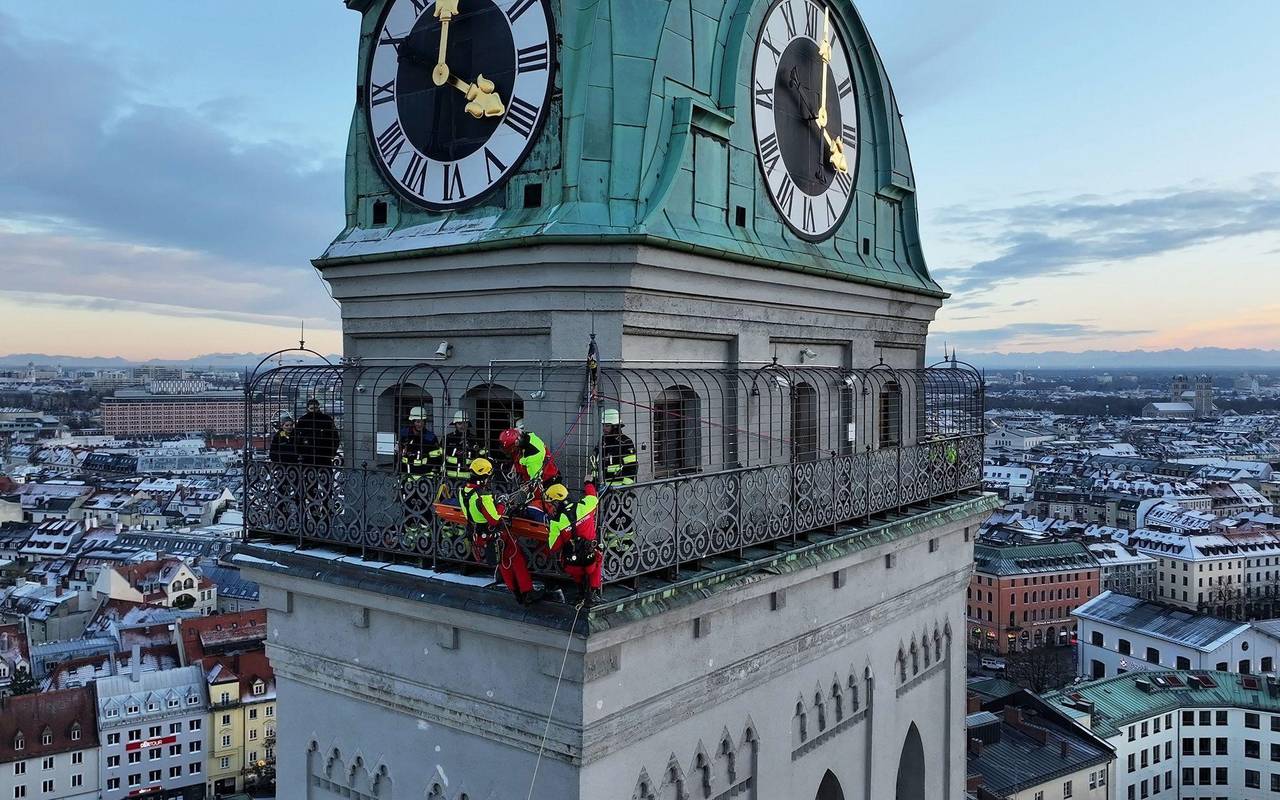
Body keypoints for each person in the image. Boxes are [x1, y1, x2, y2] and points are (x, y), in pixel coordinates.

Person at [458, 458, 541, 605]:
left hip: (479, 532)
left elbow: (474, 512)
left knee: (503, 562)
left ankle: (516, 592)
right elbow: (495, 519)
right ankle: (527, 592)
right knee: (516, 559)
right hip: (496, 534)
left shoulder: (464, 491)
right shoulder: (482, 496)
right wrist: (502, 504)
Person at [545, 481, 602, 606]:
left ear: (557, 502)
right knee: (598, 556)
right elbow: (592, 495)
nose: (551, 509)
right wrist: (588, 483)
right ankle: (593, 592)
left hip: (572, 564)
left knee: (572, 565)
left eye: (551, 505)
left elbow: (553, 547)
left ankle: (581, 592)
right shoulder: (585, 505)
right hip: (590, 560)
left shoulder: (556, 522)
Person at [593, 408, 638, 488]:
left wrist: (624, 487)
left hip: (619, 489)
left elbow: (632, 467)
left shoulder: (625, 442)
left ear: (615, 426)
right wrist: (594, 482)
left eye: (607, 426)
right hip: (602, 487)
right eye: (603, 425)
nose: (604, 428)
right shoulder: (602, 441)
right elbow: (596, 463)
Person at [295, 398, 340, 466]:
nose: (314, 410)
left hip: (324, 453)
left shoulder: (326, 419)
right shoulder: (302, 420)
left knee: (325, 474)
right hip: (307, 454)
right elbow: (297, 438)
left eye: (315, 408)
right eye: (312, 408)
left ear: (318, 407)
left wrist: (332, 452)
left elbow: (335, 436)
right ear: (308, 408)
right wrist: (300, 452)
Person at [443, 411, 484, 481]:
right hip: (450, 479)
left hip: (470, 480)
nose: (462, 426)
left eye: (465, 423)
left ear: (468, 424)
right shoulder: (448, 438)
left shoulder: (475, 439)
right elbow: (441, 457)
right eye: (459, 423)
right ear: (455, 424)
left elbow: (482, 458)